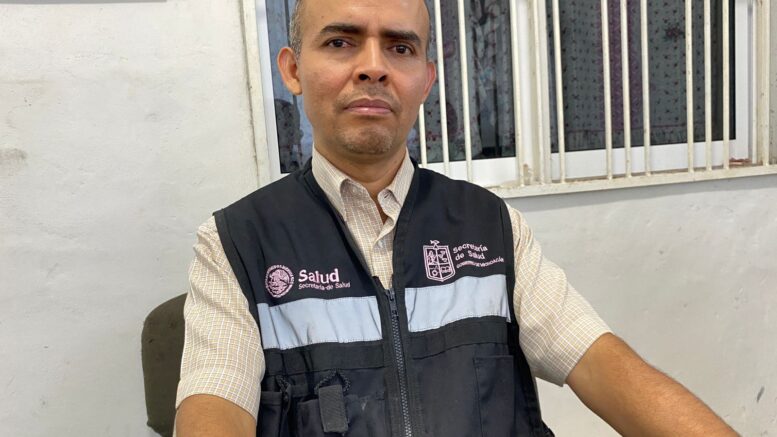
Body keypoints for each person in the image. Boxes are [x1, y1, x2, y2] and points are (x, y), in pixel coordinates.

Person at [174, 0, 738, 436]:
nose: (373, 68)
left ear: (425, 78)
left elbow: (600, 363)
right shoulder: (237, 245)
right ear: (293, 69)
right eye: (341, 42)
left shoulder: (490, 227)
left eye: (399, 48)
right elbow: (214, 404)